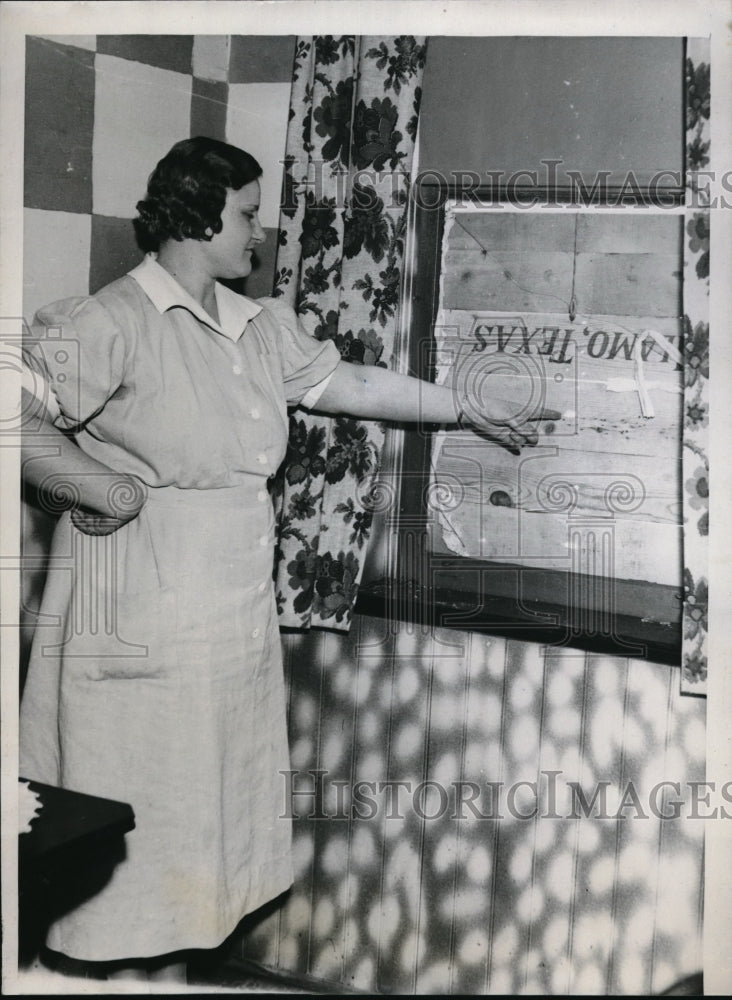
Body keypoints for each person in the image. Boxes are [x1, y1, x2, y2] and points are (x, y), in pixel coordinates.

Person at [19, 136, 558, 982]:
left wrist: (465, 409)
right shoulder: (111, 320)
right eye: (245, 214)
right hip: (139, 613)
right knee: (136, 815)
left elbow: (350, 385)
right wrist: (97, 489)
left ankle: (174, 973)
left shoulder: (255, 326)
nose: (258, 234)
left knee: (212, 818)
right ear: (196, 216)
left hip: (230, 611)